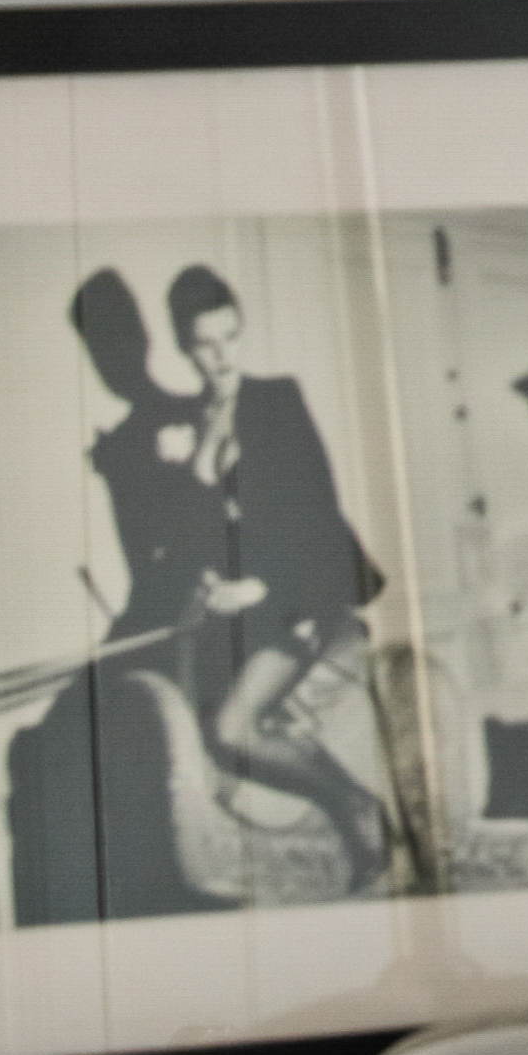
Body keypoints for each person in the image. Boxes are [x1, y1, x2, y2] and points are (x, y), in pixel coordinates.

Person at [153, 268, 394, 891]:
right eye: (205, 343)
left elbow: (317, 510)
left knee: (229, 729)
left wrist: (259, 588)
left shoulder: (277, 398)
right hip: (235, 617)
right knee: (210, 741)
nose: (222, 355)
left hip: (300, 598)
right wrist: (198, 477)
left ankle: (357, 806)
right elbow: (190, 543)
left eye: (231, 336)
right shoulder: (186, 421)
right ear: (184, 346)